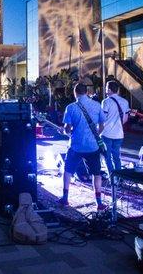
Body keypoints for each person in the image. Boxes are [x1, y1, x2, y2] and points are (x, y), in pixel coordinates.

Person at [59, 83, 107, 211]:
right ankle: (99, 203)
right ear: (87, 92)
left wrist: (66, 132)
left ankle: (65, 198)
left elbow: (67, 129)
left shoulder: (71, 107)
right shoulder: (97, 105)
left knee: (68, 171)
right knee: (96, 174)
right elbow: (102, 124)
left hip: (76, 146)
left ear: (75, 93)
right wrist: (97, 134)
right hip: (93, 146)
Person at [101, 80, 130, 175]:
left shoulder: (106, 102)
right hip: (119, 134)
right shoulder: (125, 102)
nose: (105, 91)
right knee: (116, 157)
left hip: (107, 133)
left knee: (107, 156)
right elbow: (125, 119)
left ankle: (112, 176)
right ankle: (119, 177)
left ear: (109, 90)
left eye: (106, 89)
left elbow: (103, 119)